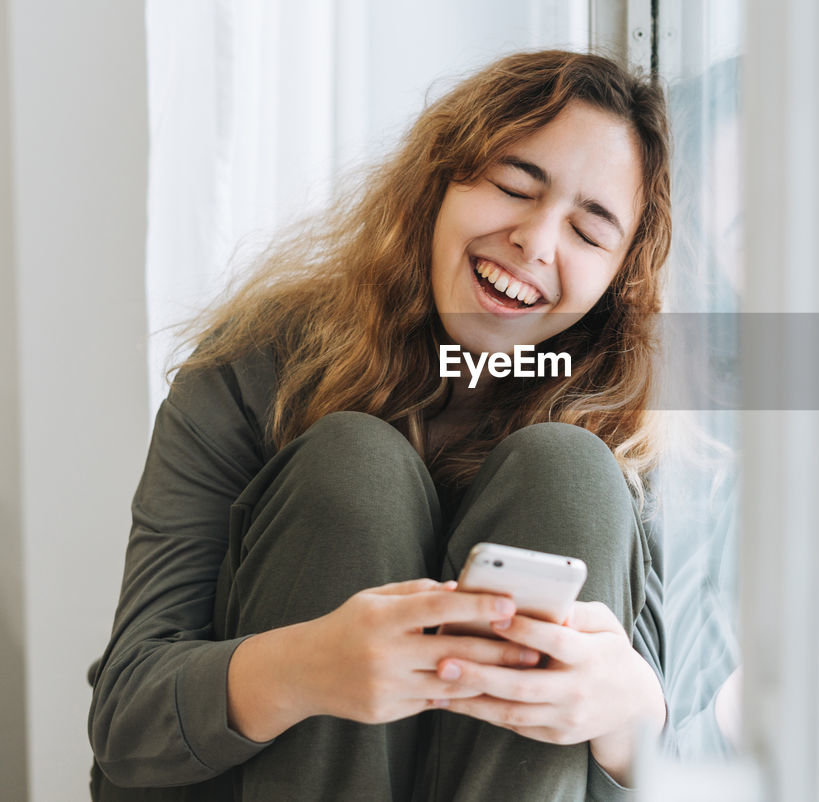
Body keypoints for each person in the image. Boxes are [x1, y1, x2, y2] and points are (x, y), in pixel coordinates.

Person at [87, 49, 674, 801]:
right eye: (512, 186)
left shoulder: (619, 426)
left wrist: (632, 719)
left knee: (570, 471)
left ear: (617, 282)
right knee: (353, 465)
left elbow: (673, 765)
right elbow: (127, 721)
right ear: (439, 183)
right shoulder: (256, 370)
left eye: (590, 234)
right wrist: (304, 669)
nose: (537, 241)